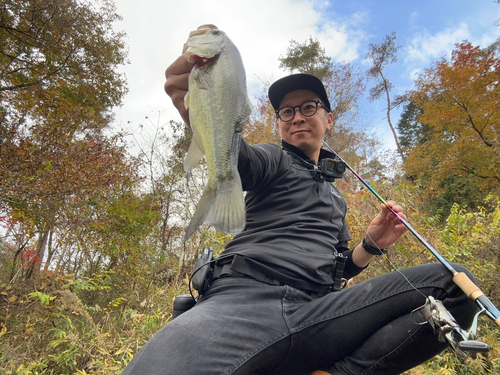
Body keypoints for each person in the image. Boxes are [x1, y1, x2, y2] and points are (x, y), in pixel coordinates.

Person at [121, 53, 478, 375]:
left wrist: (372, 244)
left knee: (455, 284)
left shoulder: (337, 200)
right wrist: (198, 101)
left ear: (329, 118)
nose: (296, 118)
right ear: (278, 125)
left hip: (318, 314)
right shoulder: (273, 160)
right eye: (286, 112)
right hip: (240, 303)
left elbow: (340, 267)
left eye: (308, 107)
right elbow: (236, 158)